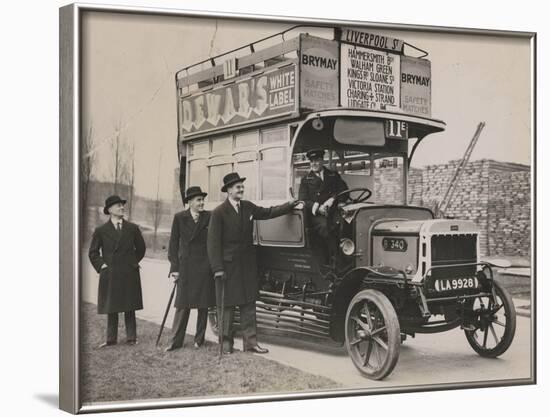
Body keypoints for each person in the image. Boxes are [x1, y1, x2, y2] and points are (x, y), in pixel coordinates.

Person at [207, 172, 302, 354]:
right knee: (227, 306)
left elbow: (268, 212)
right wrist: (217, 268)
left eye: (242, 185)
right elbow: (212, 244)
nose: (241, 188)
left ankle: (251, 343)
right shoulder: (219, 213)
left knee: (249, 304)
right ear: (228, 190)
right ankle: (226, 344)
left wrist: (289, 205)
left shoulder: (248, 207)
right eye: (237, 186)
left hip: (247, 265)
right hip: (227, 268)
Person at [88, 195, 146, 348]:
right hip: (111, 272)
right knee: (111, 306)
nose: (122, 208)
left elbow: (141, 249)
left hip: (129, 272)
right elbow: (93, 253)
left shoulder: (132, 228)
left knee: (129, 305)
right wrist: (102, 266)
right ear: (110, 210)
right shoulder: (101, 230)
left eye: (122, 205)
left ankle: (132, 338)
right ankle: (110, 339)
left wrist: (132, 262)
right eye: (118, 205)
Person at [165, 186, 215, 351]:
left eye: (202, 200)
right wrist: (174, 268)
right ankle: (175, 341)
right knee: (182, 305)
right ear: (190, 202)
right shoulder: (179, 218)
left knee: (203, 305)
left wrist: (212, 265)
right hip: (185, 267)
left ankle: (199, 340)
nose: (202, 203)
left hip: (204, 267)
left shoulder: (210, 216)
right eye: (198, 200)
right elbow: (173, 245)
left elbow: (214, 242)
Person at [298, 149, 348, 263]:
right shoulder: (305, 180)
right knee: (325, 227)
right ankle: (331, 259)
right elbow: (303, 200)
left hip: (333, 211)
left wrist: (335, 199)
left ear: (322, 161)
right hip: (316, 216)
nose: (313, 164)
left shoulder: (333, 175)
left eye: (316, 161)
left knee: (346, 222)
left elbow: (343, 190)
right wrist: (318, 207)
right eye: (312, 161)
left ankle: (346, 252)